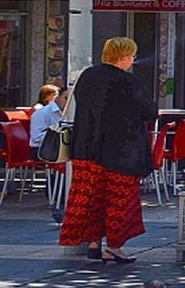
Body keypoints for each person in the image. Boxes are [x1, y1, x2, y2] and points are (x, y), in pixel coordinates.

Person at [59, 37, 157, 263]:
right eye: (132, 55)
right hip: (120, 152)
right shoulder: (128, 82)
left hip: (86, 149)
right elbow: (149, 112)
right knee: (118, 200)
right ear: (124, 57)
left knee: (91, 198)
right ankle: (114, 247)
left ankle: (94, 243)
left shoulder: (87, 76)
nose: (133, 59)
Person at [30, 83, 68, 221]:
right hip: (41, 150)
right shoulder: (42, 113)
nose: (68, 102)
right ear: (57, 98)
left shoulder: (72, 112)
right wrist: (57, 138)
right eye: (65, 98)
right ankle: (58, 198)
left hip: (62, 148)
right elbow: (36, 138)